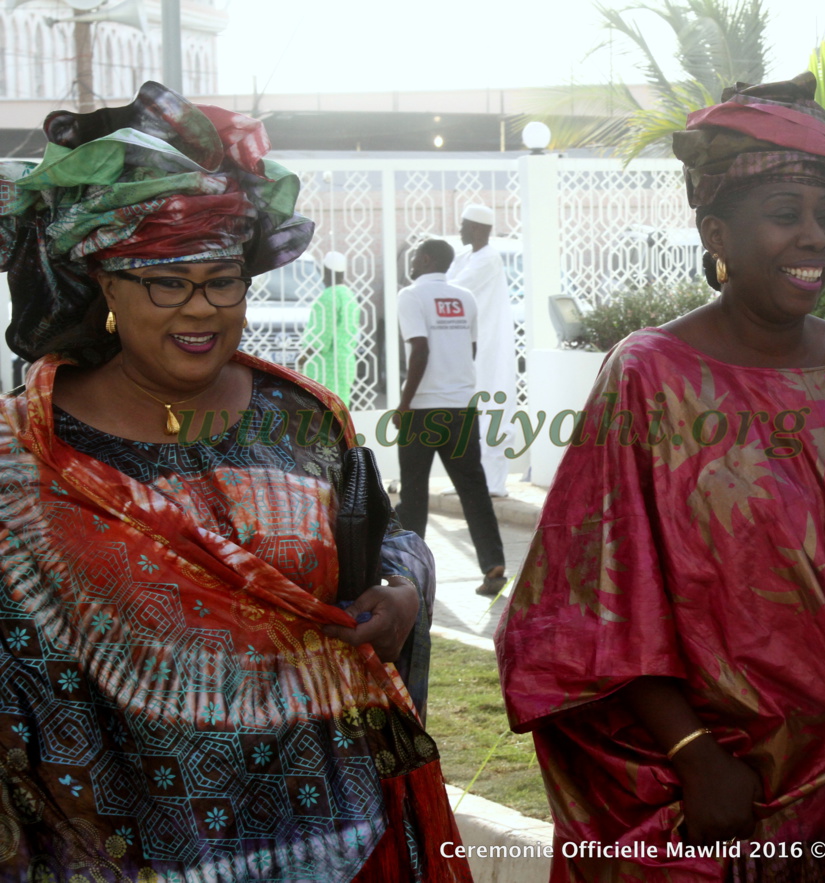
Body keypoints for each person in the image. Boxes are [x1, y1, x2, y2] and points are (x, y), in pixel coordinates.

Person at [496, 73, 825, 882]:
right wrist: (696, 754)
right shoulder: (650, 378)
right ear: (716, 234)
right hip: (737, 784)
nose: (818, 238)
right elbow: (588, 602)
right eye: (786, 217)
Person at [0, 82, 471, 881]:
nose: (202, 310)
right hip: (128, 852)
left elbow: (384, 534)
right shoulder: (30, 454)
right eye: (167, 282)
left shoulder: (304, 420)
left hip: (338, 833)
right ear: (105, 284)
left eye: (223, 279)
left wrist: (399, 588)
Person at [395, 238, 507, 597]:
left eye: (414, 257)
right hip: (461, 409)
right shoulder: (466, 299)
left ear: (426, 259)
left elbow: (421, 350)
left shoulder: (410, 296)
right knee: (474, 491)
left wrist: (404, 404)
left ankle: (412, 577)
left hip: (423, 411)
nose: (411, 263)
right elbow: (470, 349)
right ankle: (493, 565)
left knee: (414, 495)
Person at [446, 203, 516, 497]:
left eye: (463, 225)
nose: (460, 230)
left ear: (476, 228)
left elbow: (453, 288)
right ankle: (470, 480)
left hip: (488, 346)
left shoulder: (488, 259)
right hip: (469, 345)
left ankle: (493, 483)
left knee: (490, 407)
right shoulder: (467, 256)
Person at [297, 250, 362, 407]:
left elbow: (321, 336)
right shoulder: (349, 295)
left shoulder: (328, 296)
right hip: (345, 362)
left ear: (325, 271)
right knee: (341, 409)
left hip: (325, 366)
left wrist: (303, 357)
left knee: (322, 410)